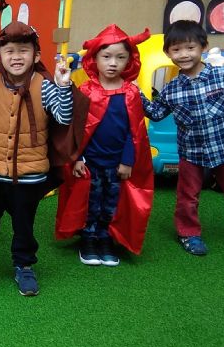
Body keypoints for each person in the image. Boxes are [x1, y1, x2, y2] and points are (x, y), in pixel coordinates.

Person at [0, 21, 73, 298]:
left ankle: (24, 265)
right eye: (9, 51)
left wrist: (63, 86)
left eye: (24, 50)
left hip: (30, 174)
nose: (16, 56)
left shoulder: (45, 86)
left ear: (36, 55)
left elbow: (63, 117)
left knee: (24, 225)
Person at [142, 20, 224, 256]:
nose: (184, 54)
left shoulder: (223, 76)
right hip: (191, 152)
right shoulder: (171, 89)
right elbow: (156, 113)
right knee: (187, 196)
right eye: (176, 49)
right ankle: (188, 233)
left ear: (204, 47)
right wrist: (135, 94)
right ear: (168, 53)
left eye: (190, 48)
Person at [55, 25, 154, 266]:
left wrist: (127, 160)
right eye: (106, 57)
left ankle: (106, 238)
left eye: (120, 57)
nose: (113, 63)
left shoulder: (131, 93)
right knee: (90, 202)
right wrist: (77, 158)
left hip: (117, 165)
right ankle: (88, 239)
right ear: (94, 59)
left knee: (112, 203)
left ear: (129, 60)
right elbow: (77, 129)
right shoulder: (87, 91)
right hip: (90, 164)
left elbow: (135, 132)